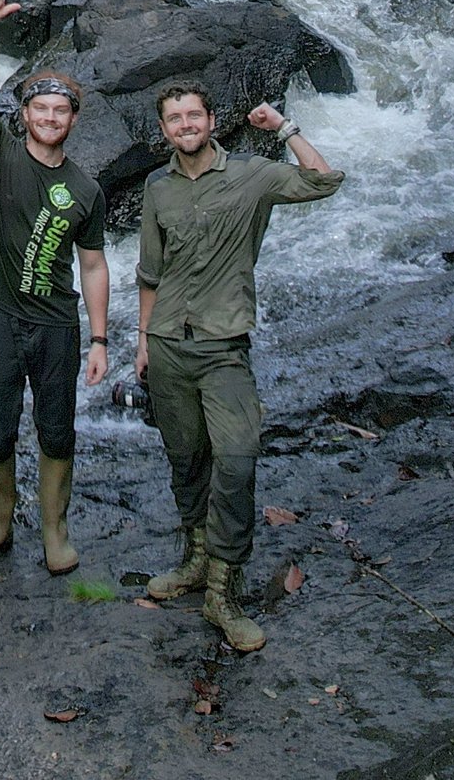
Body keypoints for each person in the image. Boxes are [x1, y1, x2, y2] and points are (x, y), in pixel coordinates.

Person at [134, 82, 343, 652]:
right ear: (164, 130)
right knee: (186, 458)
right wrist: (142, 341)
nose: (184, 125)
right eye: (174, 119)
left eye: (193, 115)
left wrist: (283, 128)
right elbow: (149, 273)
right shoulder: (158, 189)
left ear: (212, 120)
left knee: (237, 455)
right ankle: (195, 560)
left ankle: (224, 588)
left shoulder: (252, 173)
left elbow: (325, 181)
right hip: (169, 343)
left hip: (225, 345)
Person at [0, 0, 111, 574]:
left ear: (71, 120)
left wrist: (99, 339)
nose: (48, 118)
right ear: (25, 116)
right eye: (40, 109)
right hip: (1, 318)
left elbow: (92, 264)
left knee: (56, 432)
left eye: (59, 112)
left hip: (58, 326)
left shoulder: (87, 189)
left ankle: (54, 531)